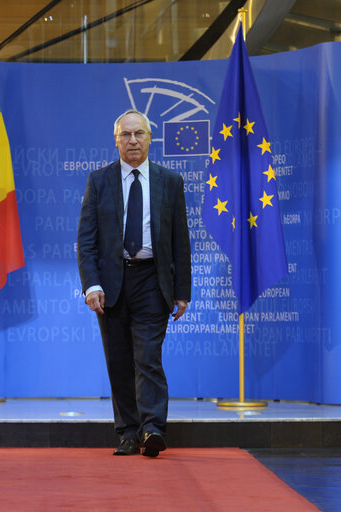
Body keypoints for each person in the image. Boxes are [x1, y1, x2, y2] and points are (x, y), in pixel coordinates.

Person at [76, 109, 191, 457]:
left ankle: (153, 428)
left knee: (148, 358)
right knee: (120, 361)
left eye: (139, 134)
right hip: (112, 283)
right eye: (126, 135)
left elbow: (180, 242)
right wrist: (91, 285)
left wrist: (182, 291)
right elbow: (87, 240)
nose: (133, 141)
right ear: (116, 141)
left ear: (150, 138)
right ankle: (127, 432)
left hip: (152, 280)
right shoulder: (99, 181)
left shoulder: (170, 182)